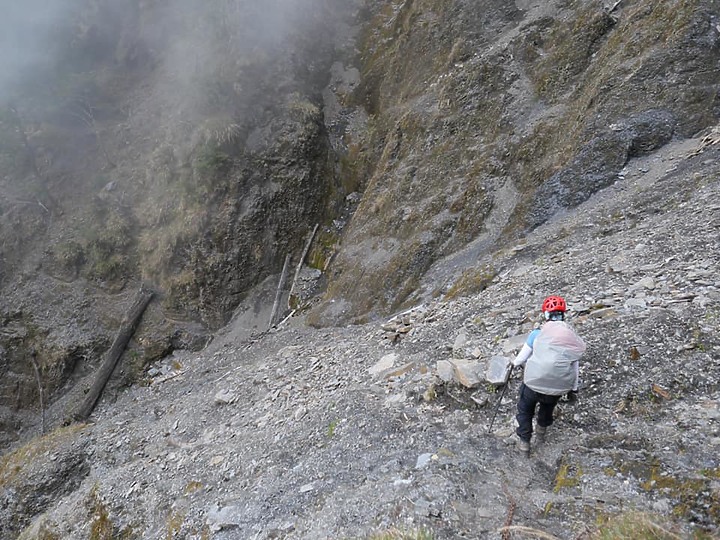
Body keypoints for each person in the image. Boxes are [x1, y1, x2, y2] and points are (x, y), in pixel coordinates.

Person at [511, 295, 585, 456]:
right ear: (563, 315)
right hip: (558, 385)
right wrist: (573, 389)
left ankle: (524, 443)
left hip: (534, 382)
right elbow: (574, 366)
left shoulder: (536, 334)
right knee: (547, 406)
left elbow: (520, 360)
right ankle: (541, 432)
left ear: (545, 315)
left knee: (524, 409)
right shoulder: (570, 337)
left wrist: (513, 363)